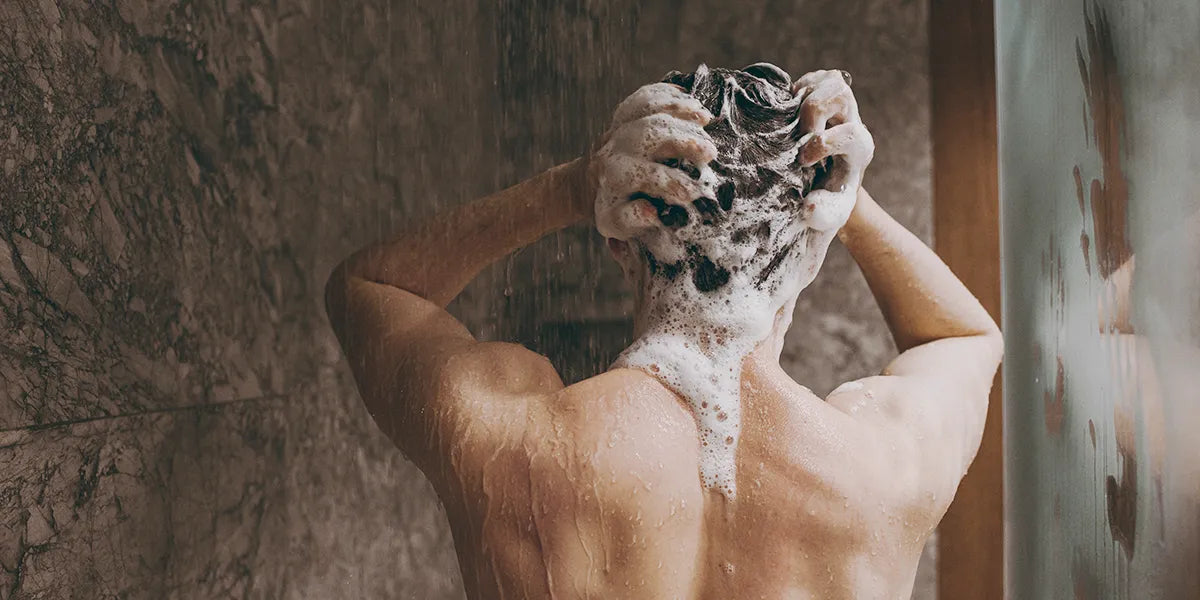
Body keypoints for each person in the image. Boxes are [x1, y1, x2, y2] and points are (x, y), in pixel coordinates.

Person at [324, 64, 1002, 599]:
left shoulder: (516, 440)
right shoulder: (882, 466)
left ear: (621, 242)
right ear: (812, 248)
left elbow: (371, 291)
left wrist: (574, 187)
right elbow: (965, 338)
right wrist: (839, 201)